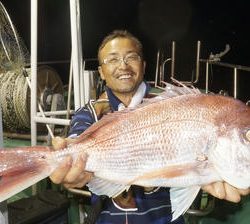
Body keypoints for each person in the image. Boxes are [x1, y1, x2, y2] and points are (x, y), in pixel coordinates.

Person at [50, 30, 250, 223]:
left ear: (143, 65)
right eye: (112, 59)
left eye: (131, 57)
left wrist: (210, 172)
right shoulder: (89, 113)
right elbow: (76, 141)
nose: (123, 66)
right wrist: (68, 162)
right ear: (101, 72)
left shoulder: (168, 103)